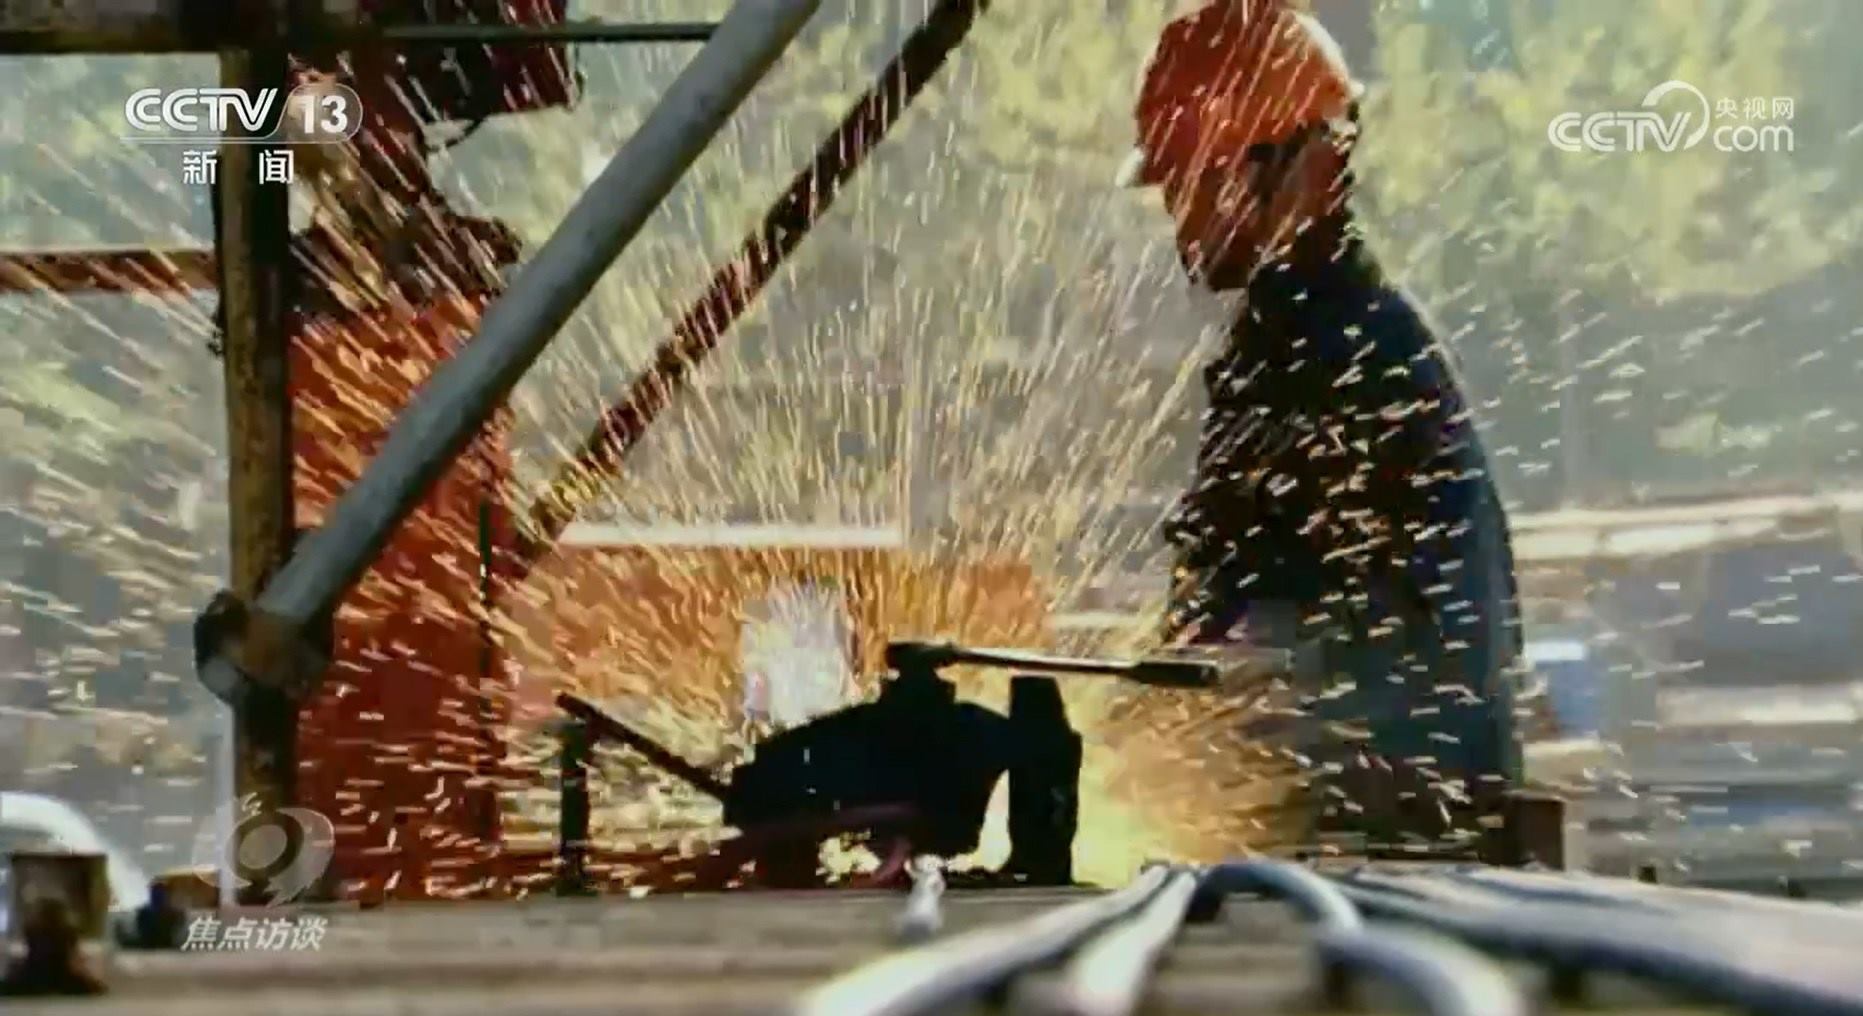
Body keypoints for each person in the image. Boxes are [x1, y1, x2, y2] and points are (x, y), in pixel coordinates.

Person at [1121, 0, 1524, 849]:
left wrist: (1128, 737)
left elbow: (1239, 630)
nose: (1182, 221)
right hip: (1373, 809)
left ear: (1303, 167)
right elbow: (1220, 606)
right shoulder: (1300, 334)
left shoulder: (1336, 355)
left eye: (1200, 184)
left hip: (1391, 830)